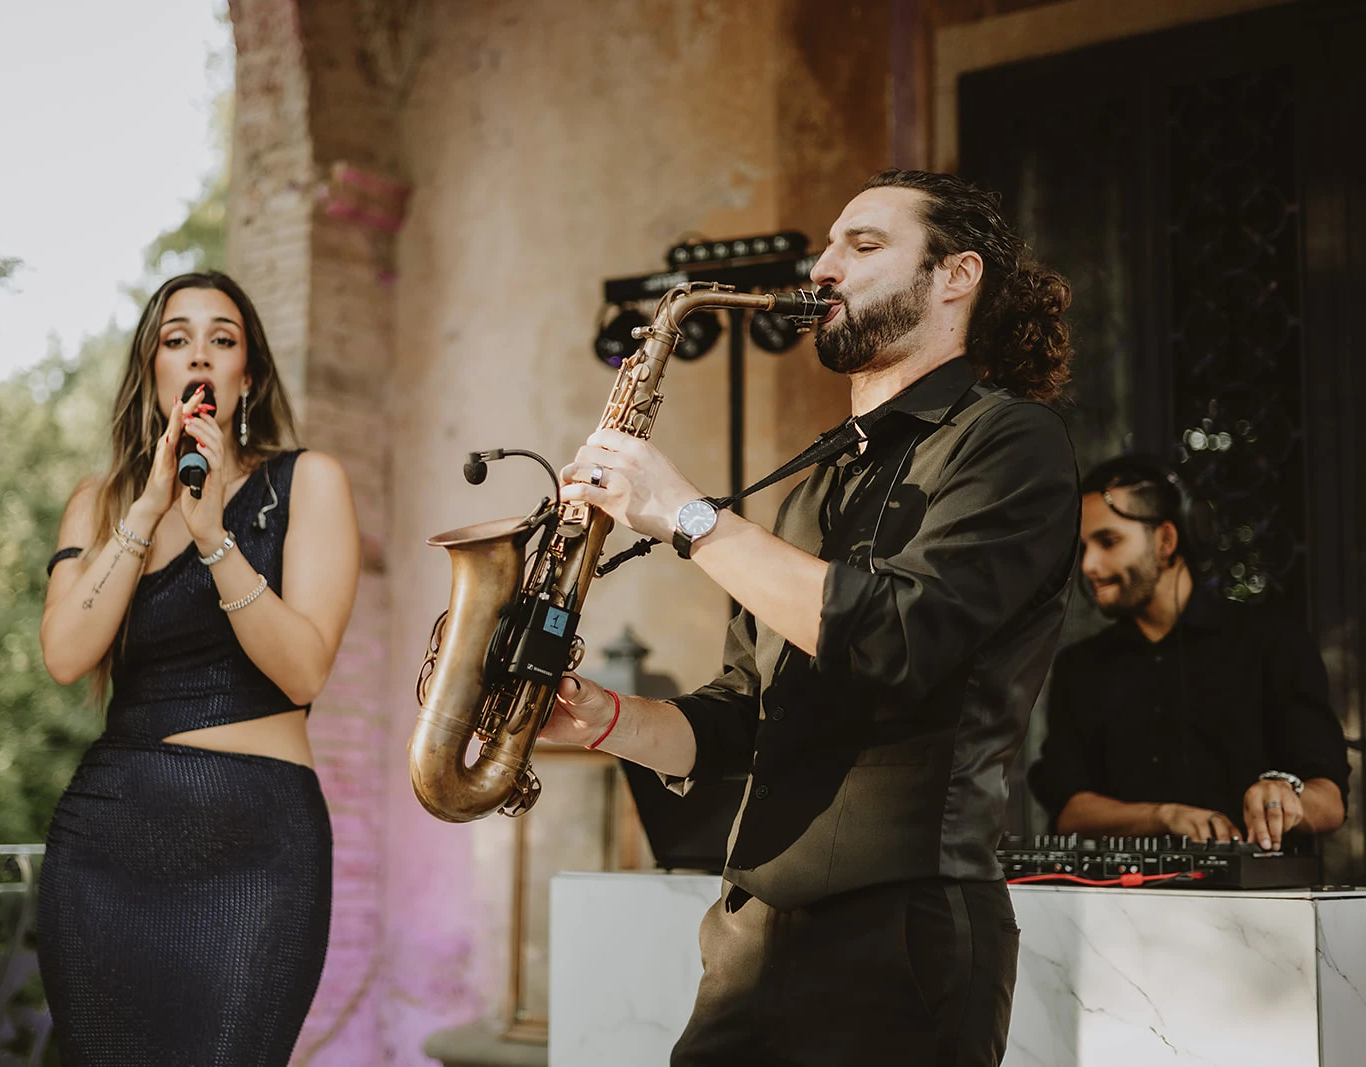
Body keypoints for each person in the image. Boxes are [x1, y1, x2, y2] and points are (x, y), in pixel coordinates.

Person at [544, 169, 1080, 1066]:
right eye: (828, 245)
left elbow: (899, 637)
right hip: (749, 935)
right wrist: (605, 721)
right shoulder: (814, 489)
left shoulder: (1010, 440)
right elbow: (741, 716)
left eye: (863, 246)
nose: (823, 266)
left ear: (957, 276)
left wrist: (688, 515)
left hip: (902, 935)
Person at [36, 271, 359, 1065]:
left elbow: (304, 672)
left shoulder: (306, 482)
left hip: (257, 851)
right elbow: (66, 655)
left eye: (223, 339)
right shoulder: (102, 503)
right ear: (153, 368)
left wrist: (216, 537)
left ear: (246, 374)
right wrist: (147, 511)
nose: (199, 356)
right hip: (105, 851)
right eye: (177, 339)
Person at [1026, 455, 1347, 852]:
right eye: (1084, 547)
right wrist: (1165, 816)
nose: (1089, 565)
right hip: (1122, 906)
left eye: (1109, 541)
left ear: (1166, 541)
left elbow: (1330, 803)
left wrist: (1286, 796)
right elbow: (1069, 811)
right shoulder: (1081, 667)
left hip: (1260, 908)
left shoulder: (1272, 642)